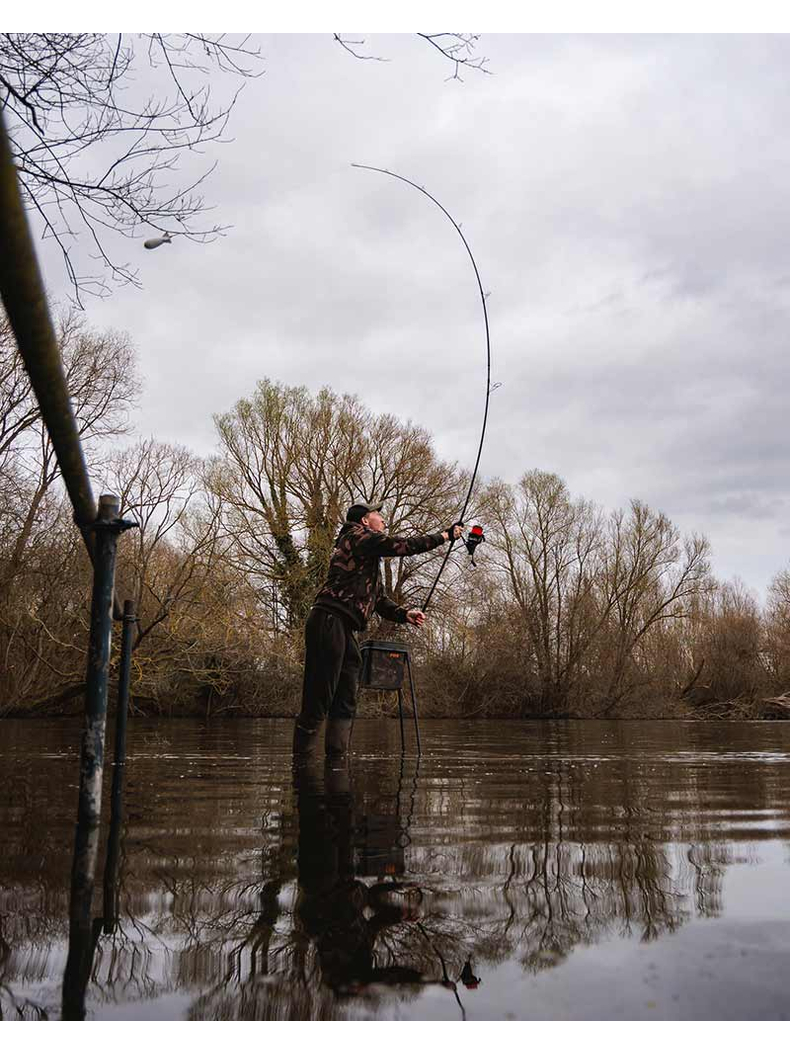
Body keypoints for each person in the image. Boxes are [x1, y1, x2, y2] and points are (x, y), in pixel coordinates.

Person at [293, 501, 463, 758]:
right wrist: (445, 535)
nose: (383, 521)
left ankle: (336, 765)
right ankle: (301, 769)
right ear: (364, 521)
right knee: (319, 698)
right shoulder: (356, 536)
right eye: (378, 516)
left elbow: (379, 600)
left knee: (346, 698)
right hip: (328, 620)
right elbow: (403, 546)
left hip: (344, 627)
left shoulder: (367, 555)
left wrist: (405, 614)